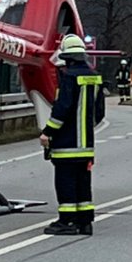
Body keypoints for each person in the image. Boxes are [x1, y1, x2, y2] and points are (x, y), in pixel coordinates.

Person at [39, 34, 106, 236]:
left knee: (65, 181)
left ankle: (67, 221)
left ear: (67, 58)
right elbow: (99, 112)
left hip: (66, 144)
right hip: (86, 145)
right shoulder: (95, 77)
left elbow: (62, 109)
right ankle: (85, 222)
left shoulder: (68, 77)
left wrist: (48, 132)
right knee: (83, 182)